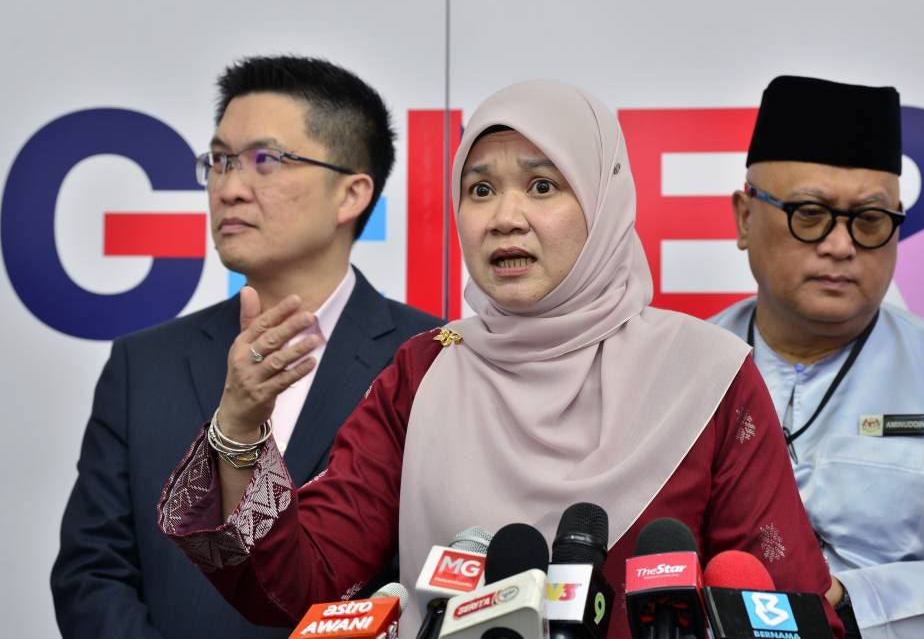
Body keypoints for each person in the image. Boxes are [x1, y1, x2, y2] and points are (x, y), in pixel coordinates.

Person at [158, 80, 844, 638]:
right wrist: (242, 426)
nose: (504, 217)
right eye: (480, 190)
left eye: (542, 186)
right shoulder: (422, 374)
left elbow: (784, 607)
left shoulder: (707, 375)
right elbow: (298, 587)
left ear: (604, 203)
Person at [51, 55, 442, 639]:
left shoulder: (428, 360)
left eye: (265, 160)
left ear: (352, 194)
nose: (229, 188)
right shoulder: (144, 365)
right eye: (220, 160)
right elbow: (92, 574)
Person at [711, 75, 924, 637]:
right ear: (745, 218)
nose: (841, 245)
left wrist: (847, 602)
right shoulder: (678, 370)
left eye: (870, 221)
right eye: (810, 213)